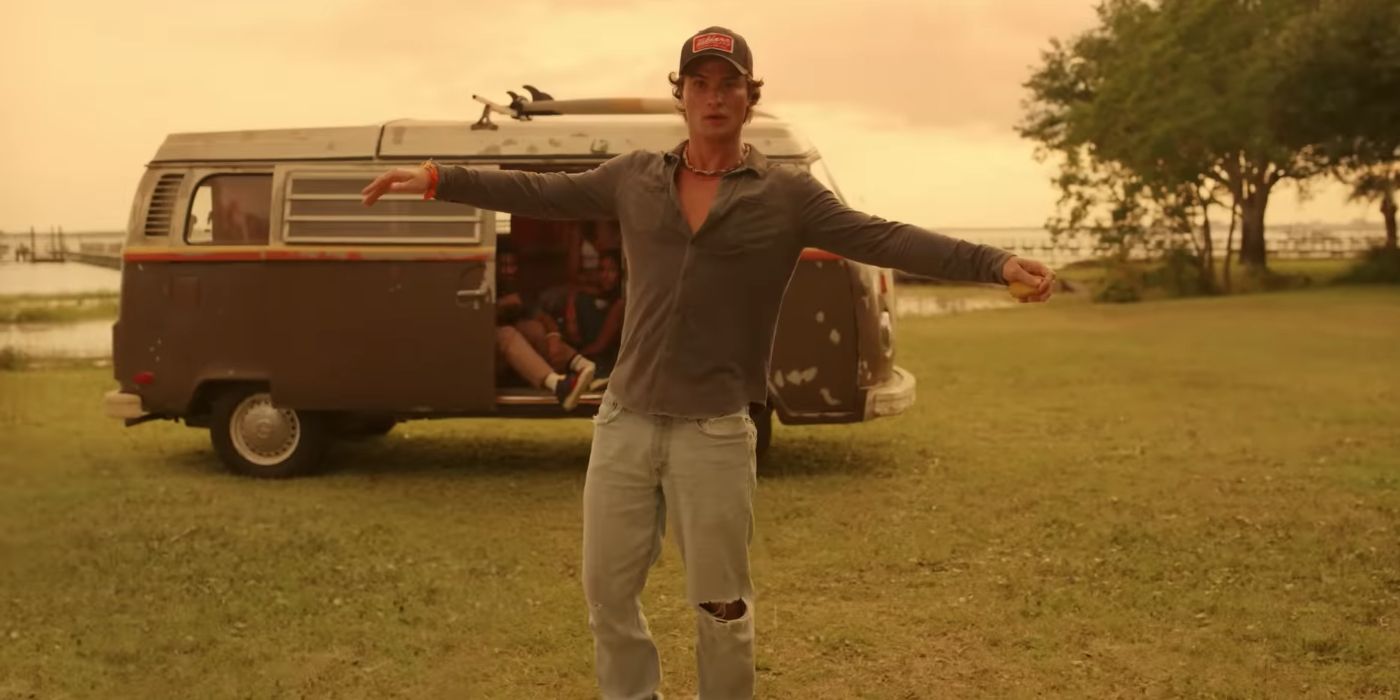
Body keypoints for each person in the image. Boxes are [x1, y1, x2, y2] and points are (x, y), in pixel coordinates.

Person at [363, 25, 1055, 699]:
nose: (714, 96)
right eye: (700, 83)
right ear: (682, 95)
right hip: (624, 424)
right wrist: (433, 175)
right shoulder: (634, 178)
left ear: (749, 97)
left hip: (716, 434)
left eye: (729, 85)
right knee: (608, 598)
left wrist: (994, 263)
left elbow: (887, 238)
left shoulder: (788, 196)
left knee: (721, 610)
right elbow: (538, 192)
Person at [495, 241, 596, 410]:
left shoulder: (511, 288)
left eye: (513, 265)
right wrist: (499, 306)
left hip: (507, 357)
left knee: (533, 328)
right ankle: (559, 386)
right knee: (506, 333)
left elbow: (542, 317)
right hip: (481, 359)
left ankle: (581, 368)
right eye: (504, 266)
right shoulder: (482, 283)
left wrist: (554, 337)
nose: (509, 271)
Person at [561, 249, 625, 381]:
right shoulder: (595, 295)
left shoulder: (620, 303)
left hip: (606, 364)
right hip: (586, 354)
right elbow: (574, 290)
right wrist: (571, 316)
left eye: (612, 271)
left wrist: (573, 358)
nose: (605, 275)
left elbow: (600, 345)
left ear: (620, 274)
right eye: (602, 270)